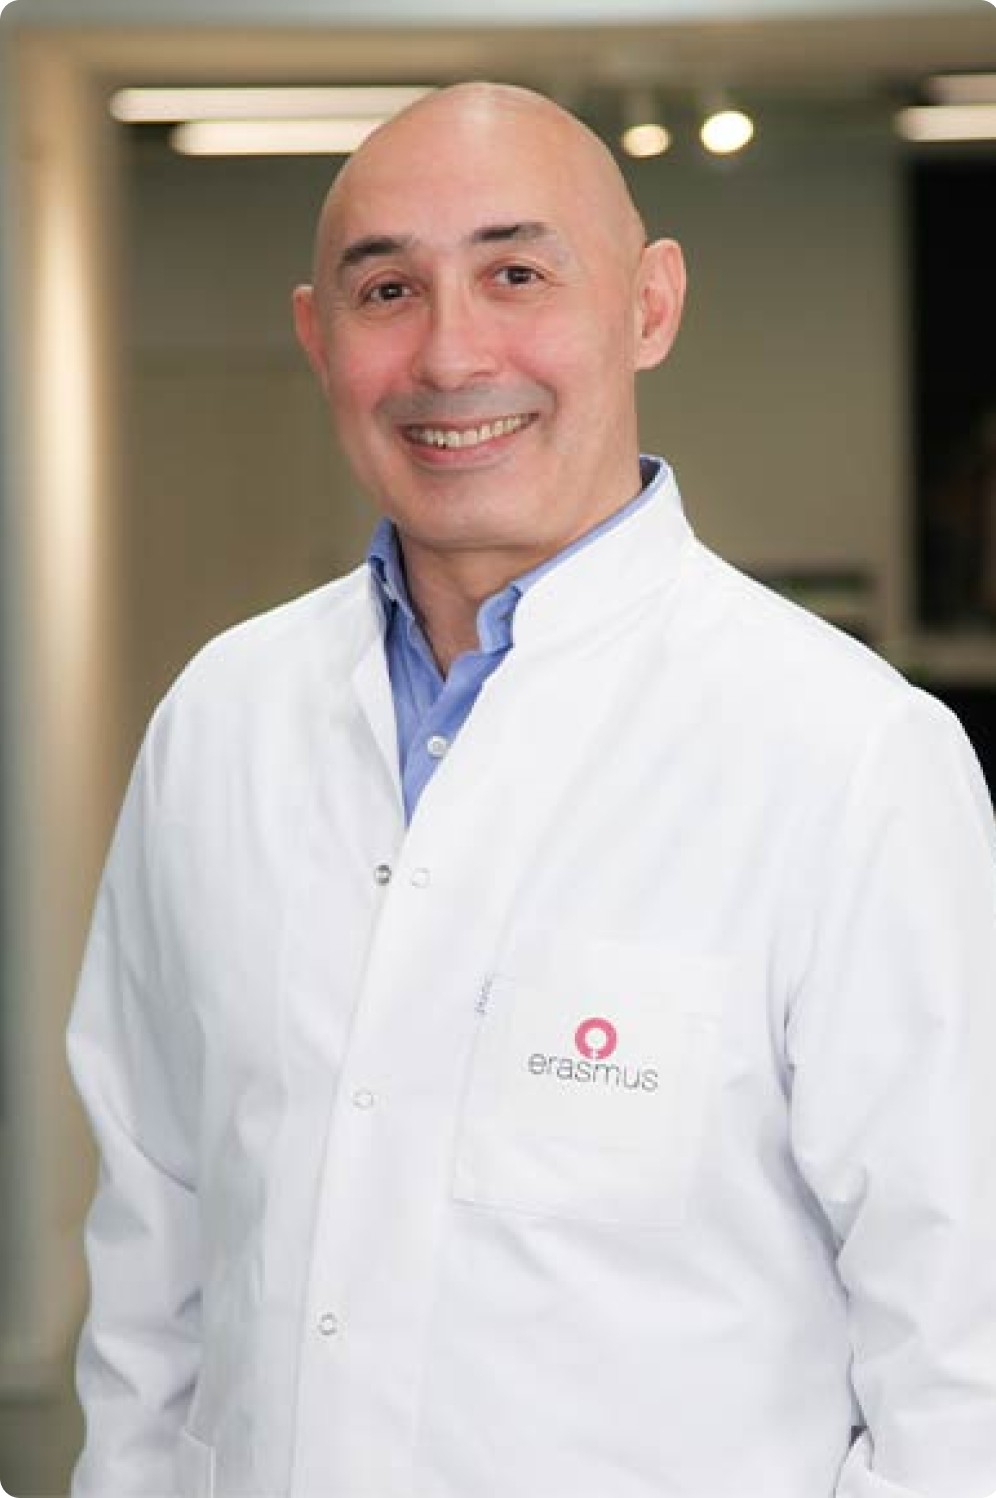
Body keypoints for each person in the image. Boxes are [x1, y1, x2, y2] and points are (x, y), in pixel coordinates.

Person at [67, 82, 996, 1498]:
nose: (451, 354)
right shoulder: (220, 719)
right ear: (319, 336)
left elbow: (964, 1350)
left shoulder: (852, 755)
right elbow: (153, 1254)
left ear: (649, 305)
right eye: (388, 290)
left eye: (517, 275)